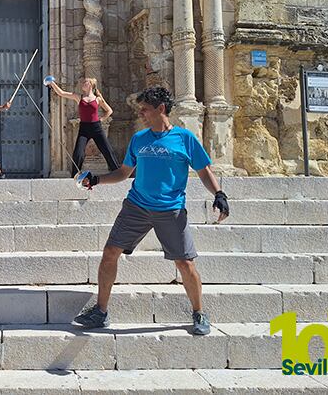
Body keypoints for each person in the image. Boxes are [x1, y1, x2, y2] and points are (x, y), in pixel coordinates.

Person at [71, 86, 229, 336]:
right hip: (136, 206)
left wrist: (219, 194)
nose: (141, 114)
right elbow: (124, 173)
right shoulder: (139, 139)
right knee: (110, 252)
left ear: (161, 109)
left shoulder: (184, 138)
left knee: (185, 263)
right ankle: (100, 312)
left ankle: (199, 312)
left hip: (171, 209)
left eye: (145, 109)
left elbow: (204, 171)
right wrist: (97, 180)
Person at [48, 78, 120, 177]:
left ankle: (117, 173)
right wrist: (52, 83)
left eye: (85, 82)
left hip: (97, 128)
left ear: (90, 84)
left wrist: (101, 119)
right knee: (78, 153)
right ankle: (75, 176)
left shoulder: (98, 99)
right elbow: (61, 93)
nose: (82, 83)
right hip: (84, 128)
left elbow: (109, 110)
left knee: (107, 150)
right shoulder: (79, 97)